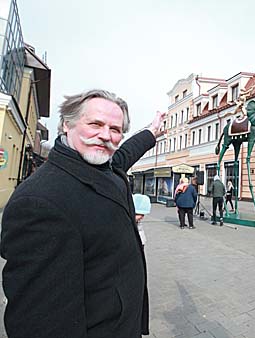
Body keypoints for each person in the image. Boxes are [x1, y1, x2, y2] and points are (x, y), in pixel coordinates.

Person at [0, 89, 166, 338]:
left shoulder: (99, 166)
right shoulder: (39, 202)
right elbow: (40, 323)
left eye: (115, 129)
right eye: (95, 124)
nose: (105, 136)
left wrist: (151, 133)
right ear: (67, 124)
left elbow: (121, 157)